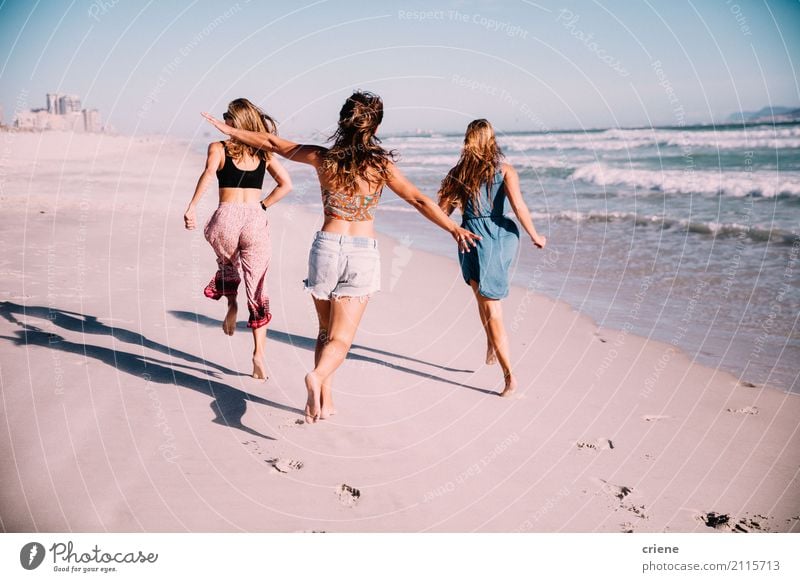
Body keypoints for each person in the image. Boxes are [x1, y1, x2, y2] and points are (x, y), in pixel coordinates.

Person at [202, 91, 480, 423]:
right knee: (342, 340)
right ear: (373, 126)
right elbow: (419, 200)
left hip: (326, 247)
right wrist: (452, 228)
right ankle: (318, 378)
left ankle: (321, 401)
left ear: (342, 122)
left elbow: (271, 143)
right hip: (360, 253)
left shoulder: (323, 158)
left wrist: (230, 130)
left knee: (324, 331)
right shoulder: (380, 166)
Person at [184, 98, 292, 380]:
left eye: (227, 117)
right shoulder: (264, 153)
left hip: (226, 218)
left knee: (227, 266)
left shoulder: (217, 148)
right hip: (254, 217)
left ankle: (231, 304)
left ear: (236, 122)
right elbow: (286, 185)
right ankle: (259, 354)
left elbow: (208, 174)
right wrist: (263, 206)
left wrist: (192, 207)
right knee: (258, 288)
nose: (225, 121)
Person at [438, 119, 546, 397]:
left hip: (476, 237)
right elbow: (519, 207)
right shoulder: (505, 170)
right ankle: (495, 350)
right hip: (499, 236)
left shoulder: (456, 173)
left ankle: (509, 376)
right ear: (491, 140)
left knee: (490, 306)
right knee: (485, 300)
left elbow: (441, 213)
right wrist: (534, 235)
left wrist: (456, 227)